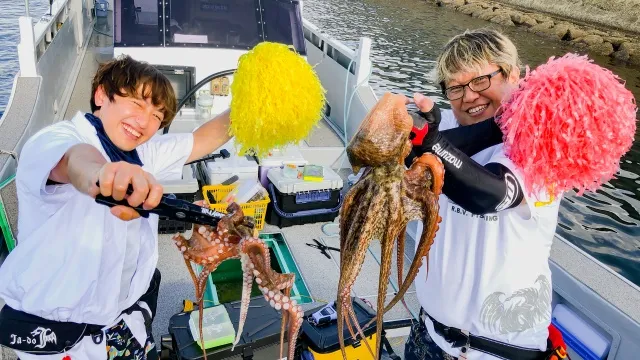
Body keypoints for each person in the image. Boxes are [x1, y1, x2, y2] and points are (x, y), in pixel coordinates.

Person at [0, 55, 232, 359]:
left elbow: (203, 139)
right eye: (137, 104)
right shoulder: (57, 139)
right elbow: (75, 162)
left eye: (157, 116)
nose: (145, 121)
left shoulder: (142, 153)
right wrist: (105, 175)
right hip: (58, 341)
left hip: (123, 325)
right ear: (101, 96)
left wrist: (257, 101)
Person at [403, 28, 564, 360]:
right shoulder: (447, 123)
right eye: (456, 87)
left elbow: (488, 194)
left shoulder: (545, 146)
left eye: (480, 80)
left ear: (513, 74)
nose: (469, 97)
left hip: (498, 352)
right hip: (428, 335)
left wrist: (431, 147)